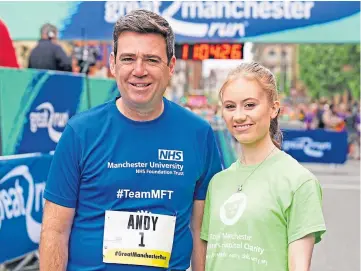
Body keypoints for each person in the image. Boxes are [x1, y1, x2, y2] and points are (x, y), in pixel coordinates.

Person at [39, 10, 222, 271]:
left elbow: (202, 232)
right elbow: (54, 232)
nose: (139, 70)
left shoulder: (198, 134)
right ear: (113, 64)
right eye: (128, 59)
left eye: (151, 60)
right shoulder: (80, 132)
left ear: (170, 66)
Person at [201, 62, 326, 271]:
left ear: (274, 108)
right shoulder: (217, 183)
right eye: (230, 106)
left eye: (249, 105)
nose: (239, 116)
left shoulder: (299, 182)